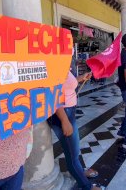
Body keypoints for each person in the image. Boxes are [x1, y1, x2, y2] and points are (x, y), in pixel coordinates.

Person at [47, 62, 104, 190]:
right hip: (62, 114)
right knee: (72, 155)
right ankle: (86, 186)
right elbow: (52, 94)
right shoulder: (54, 65)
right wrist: (64, 120)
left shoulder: (64, 63)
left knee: (74, 149)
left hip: (69, 112)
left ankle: (80, 171)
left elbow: (66, 84)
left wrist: (82, 77)